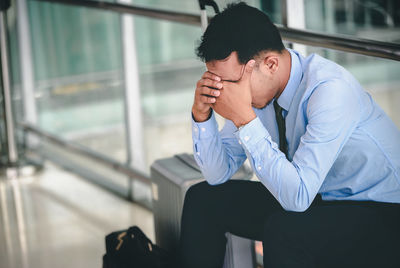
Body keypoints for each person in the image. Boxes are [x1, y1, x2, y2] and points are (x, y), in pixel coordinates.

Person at [178, 2, 400, 268]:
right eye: (216, 82)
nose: (224, 93)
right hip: (318, 198)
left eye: (229, 83)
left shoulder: (329, 91)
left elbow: (297, 198)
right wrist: (201, 116)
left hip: (381, 211)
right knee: (202, 199)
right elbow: (217, 174)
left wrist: (243, 119)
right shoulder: (255, 93)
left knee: (284, 230)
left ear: (270, 64)